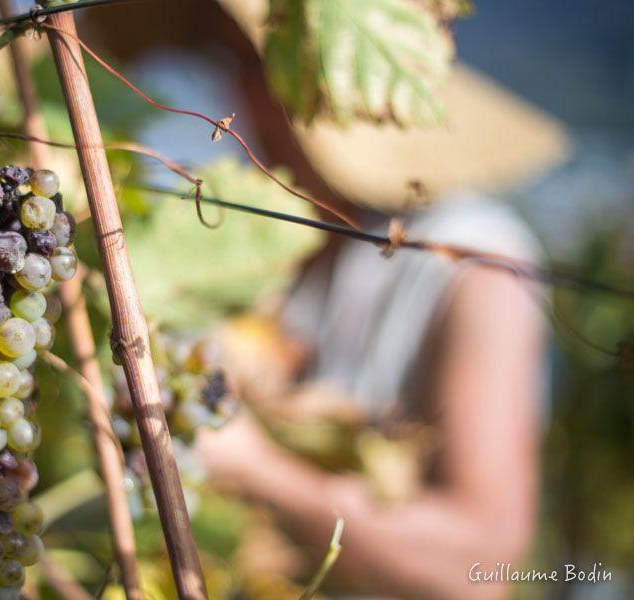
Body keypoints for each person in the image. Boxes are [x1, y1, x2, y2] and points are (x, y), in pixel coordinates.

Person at [194, 35, 568, 600]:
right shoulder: (305, 243)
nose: (237, 92)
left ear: (338, 89)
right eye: (241, 62)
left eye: (263, 66)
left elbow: (479, 564)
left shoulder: (478, 262)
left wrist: (253, 467)